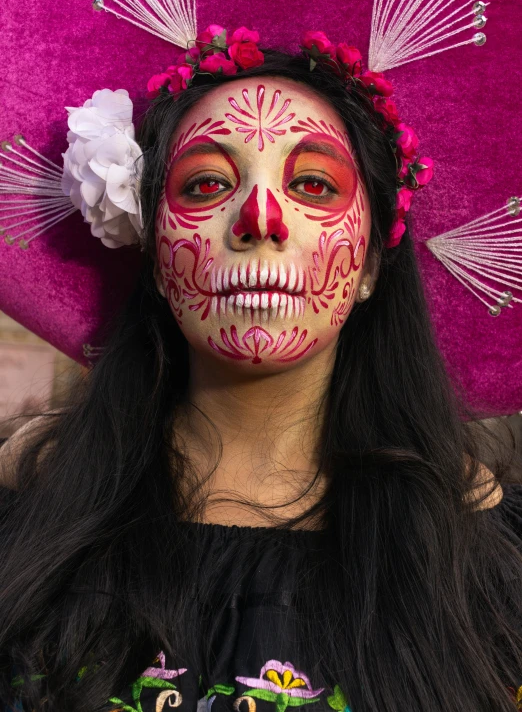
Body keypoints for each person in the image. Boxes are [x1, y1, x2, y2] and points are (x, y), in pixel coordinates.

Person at [0, 49, 521, 712]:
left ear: (367, 265)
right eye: (208, 184)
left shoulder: (480, 554)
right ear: (157, 258)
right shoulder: (27, 514)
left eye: (312, 186)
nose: (260, 217)